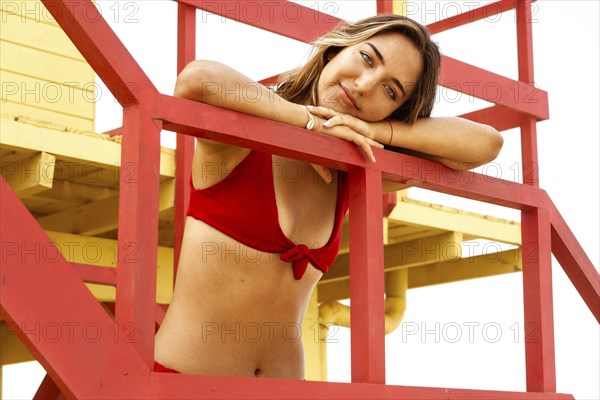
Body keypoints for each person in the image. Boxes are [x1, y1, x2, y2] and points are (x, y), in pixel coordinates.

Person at [153, 14, 503, 378]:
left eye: (391, 91)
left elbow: (485, 144)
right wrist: (309, 123)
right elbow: (196, 80)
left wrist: (375, 129)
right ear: (336, 48)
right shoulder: (240, 140)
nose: (366, 84)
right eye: (367, 58)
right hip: (181, 384)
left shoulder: (352, 170)